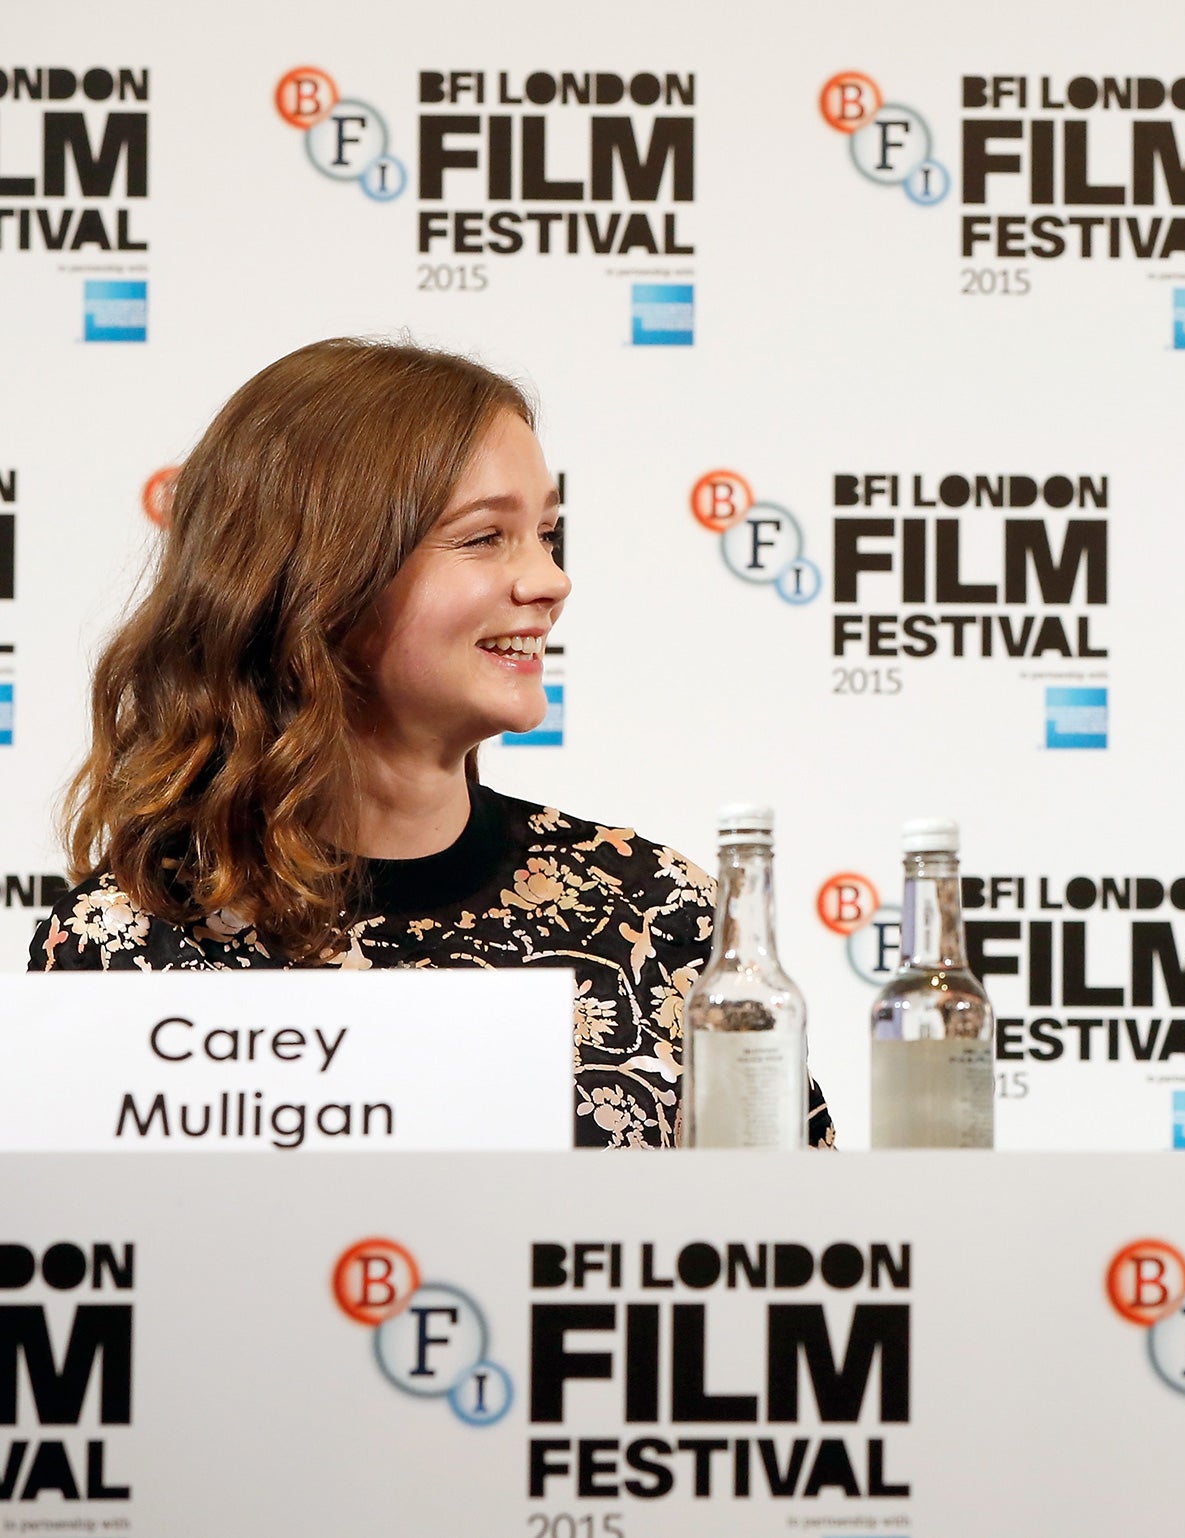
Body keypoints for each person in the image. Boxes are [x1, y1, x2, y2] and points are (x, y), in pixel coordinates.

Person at [30, 338, 834, 1150]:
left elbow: (787, 1245)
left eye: (548, 533)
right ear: (320, 575)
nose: (551, 582)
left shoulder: (657, 914)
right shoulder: (127, 945)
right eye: (486, 538)